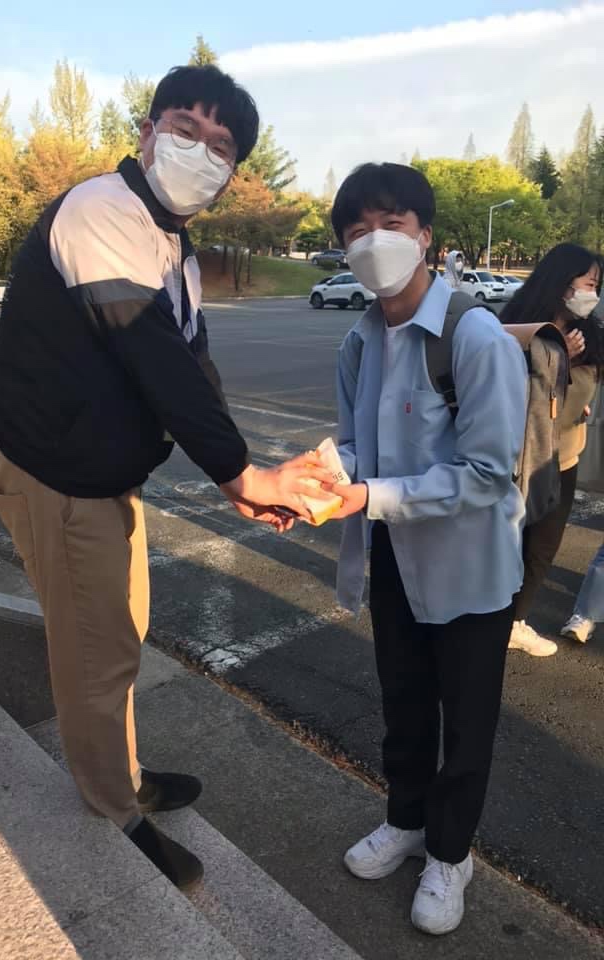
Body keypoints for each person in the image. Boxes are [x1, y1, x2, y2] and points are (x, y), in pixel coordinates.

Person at [0, 64, 328, 890]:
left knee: (118, 639)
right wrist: (243, 472)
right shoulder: (102, 210)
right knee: (96, 654)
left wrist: (238, 483)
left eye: (221, 147)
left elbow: (193, 365)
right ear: (146, 132)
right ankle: (114, 813)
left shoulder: (174, 249)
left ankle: (124, 776)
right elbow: (153, 357)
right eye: (185, 129)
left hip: (102, 484)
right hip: (60, 484)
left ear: (232, 173)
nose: (199, 152)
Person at [321, 163, 527, 936]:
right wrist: (318, 478)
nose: (374, 242)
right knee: (403, 709)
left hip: (471, 573)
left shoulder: (474, 337)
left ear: (426, 237)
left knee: (466, 727)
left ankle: (450, 854)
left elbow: (487, 473)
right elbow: (355, 447)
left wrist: (370, 496)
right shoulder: (359, 341)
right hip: (397, 565)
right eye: (357, 231)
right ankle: (405, 822)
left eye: (392, 224)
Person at [501, 244, 604, 657]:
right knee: (507, 541)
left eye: (596, 286)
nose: (592, 294)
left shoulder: (589, 331)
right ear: (563, 283)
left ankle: (515, 621)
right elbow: (503, 388)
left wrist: (580, 398)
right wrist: (557, 357)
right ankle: (490, 617)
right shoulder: (517, 327)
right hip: (519, 457)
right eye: (589, 284)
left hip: (565, 456)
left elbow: (581, 386)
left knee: (542, 546)